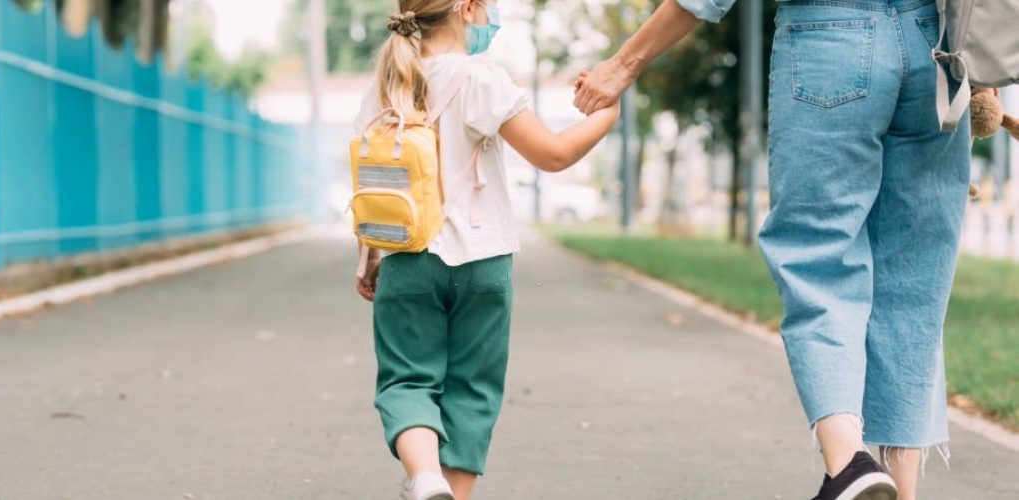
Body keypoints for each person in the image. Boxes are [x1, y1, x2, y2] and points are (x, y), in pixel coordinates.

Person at [574, 1, 970, 499]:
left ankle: (850, 465)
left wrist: (622, 64)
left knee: (818, 253)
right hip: (937, 47)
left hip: (830, 36)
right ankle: (900, 491)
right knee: (914, 281)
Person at [353, 1, 620, 499]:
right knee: (473, 388)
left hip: (406, 259)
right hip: (484, 260)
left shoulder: (384, 85)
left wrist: (369, 256)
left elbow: (376, 183)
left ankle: (425, 476)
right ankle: (452, 493)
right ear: (468, 8)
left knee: (408, 381)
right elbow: (554, 153)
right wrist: (608, 114)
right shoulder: (482, 79)